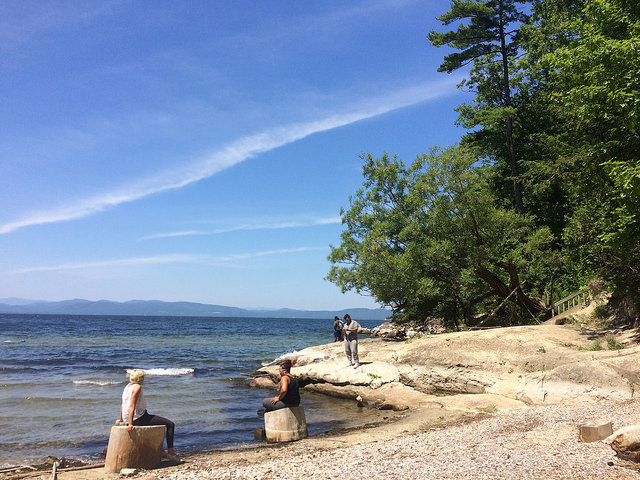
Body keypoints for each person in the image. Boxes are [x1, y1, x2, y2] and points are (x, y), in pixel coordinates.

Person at [120, 369, 178, 461]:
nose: (143, 379)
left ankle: (161, 450)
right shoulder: (137, 387)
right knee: (170, 424)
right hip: (139, 418)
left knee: (155, 420)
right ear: (139, 378)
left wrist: (122, 420)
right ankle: (171, 452)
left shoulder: (127, 386)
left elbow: (123, 404)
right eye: (142, 377)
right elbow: (132, 405)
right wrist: (130, 424)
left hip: (131, 417)